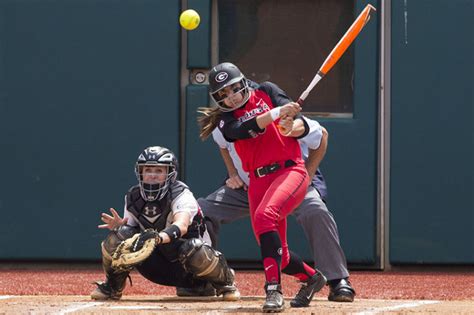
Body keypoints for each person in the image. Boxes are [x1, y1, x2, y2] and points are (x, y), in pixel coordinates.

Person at [183, 116, 355, 303]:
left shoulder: (278, 115)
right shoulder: (229, 120)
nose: (235, 98)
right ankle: (204, 276)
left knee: (316, 211)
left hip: (289, 183)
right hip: (249, 188)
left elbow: (321, 134)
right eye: (227, 94)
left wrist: (309, 173)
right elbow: (222, 143)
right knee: (201, 211)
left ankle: (337, 279)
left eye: (241, 91)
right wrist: (232, 172)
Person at [198, 62, 326, 312]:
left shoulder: (267, 90)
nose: (231, 97)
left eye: (233, 89)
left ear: (243, 83)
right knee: (281, 255)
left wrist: (292, 123)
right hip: (257, 180)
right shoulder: (225, 122)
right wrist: (277, 113)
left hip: (289, 170)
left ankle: (273, 290)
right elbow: (246, 129)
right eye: (223, 94)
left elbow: (297, 122)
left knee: (265, 216)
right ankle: (312, 278)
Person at [90, 146, 240, 301]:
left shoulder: (181, 193)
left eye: (159, 171)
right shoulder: (133, 196)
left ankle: (225, 282)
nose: (152, 175)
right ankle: (112, 287)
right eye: (148, 170)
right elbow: (130, 232)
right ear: (140, 172)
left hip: (192, 266)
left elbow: (181, 226)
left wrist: (156, 238)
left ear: (170, 174)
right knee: (119, 237)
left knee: (193, 247)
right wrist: (121, 227)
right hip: (157, 267)